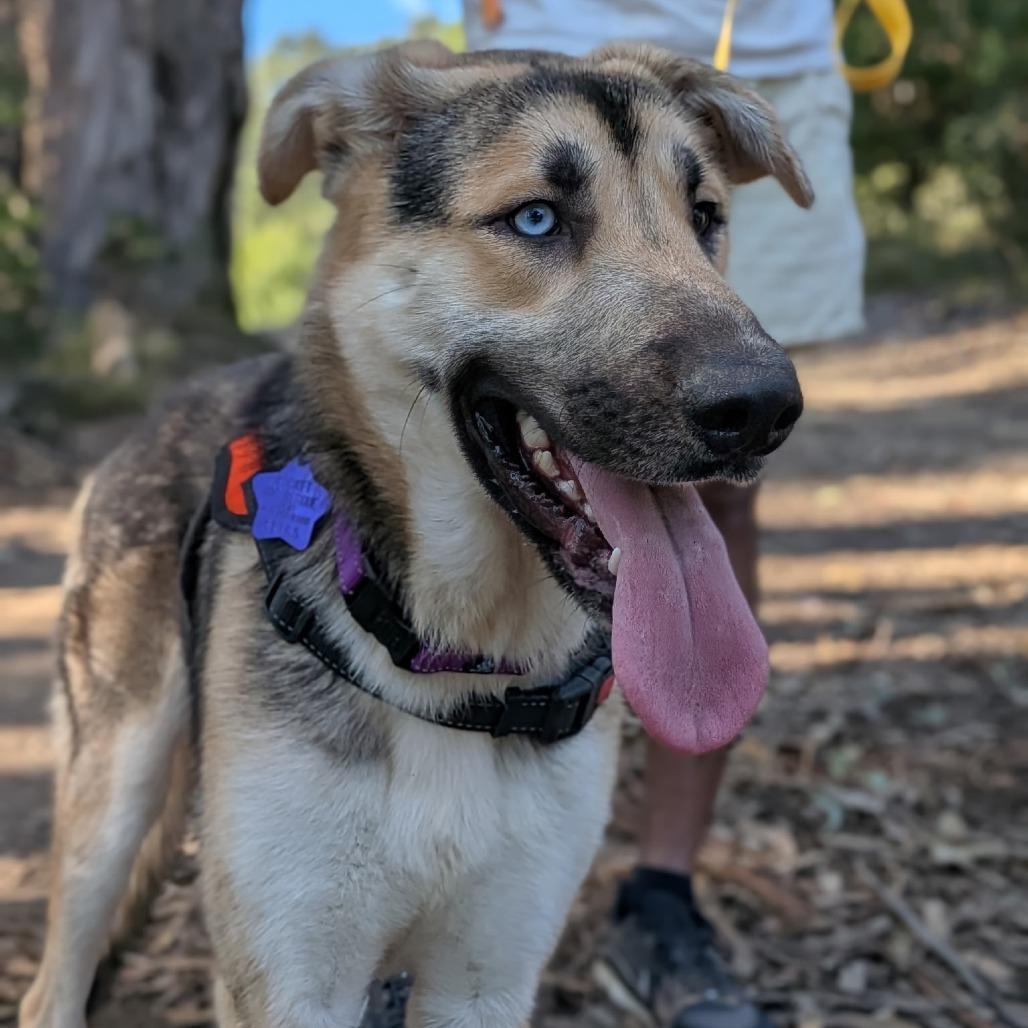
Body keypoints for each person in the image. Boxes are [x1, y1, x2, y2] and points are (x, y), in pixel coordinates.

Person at [460, 4, 866, 1027]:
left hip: (765, 56)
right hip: (538, 49)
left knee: (716, 478)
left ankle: (659, 892)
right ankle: (434, 883)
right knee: (484, 465)